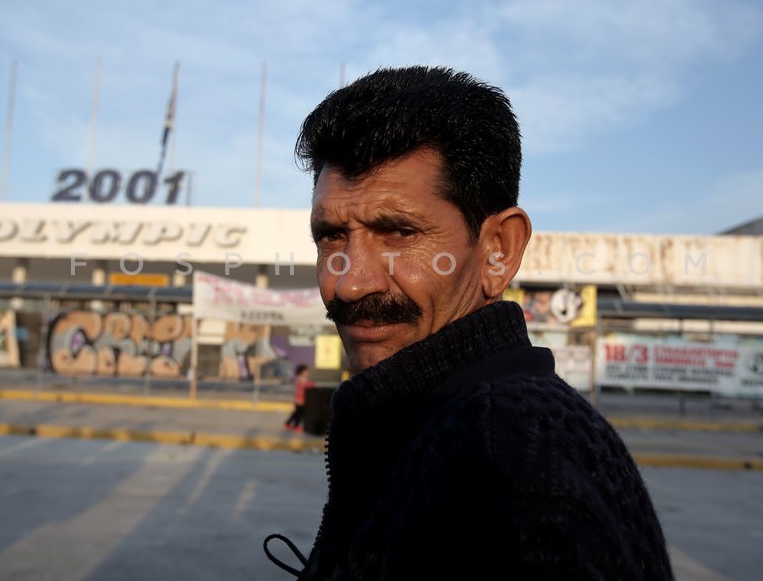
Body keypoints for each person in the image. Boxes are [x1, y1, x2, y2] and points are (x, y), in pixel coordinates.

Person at [264, 66, 674, 579]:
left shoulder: (506, 461)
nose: (349, 283)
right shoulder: (457, 426)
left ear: (498, 250)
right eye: (331, 238)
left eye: (397, 233)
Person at [284, 363, 315, 431]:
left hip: (300, 400)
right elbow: (306, 385)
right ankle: (295, 426)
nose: (307, 372)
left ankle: (288, 423)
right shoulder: (300, 378)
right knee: (299, 414)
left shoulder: (300, 378)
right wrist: (312, 384)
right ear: (302, 371)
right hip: (300, 400)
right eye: (306, 371)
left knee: (296, 413)